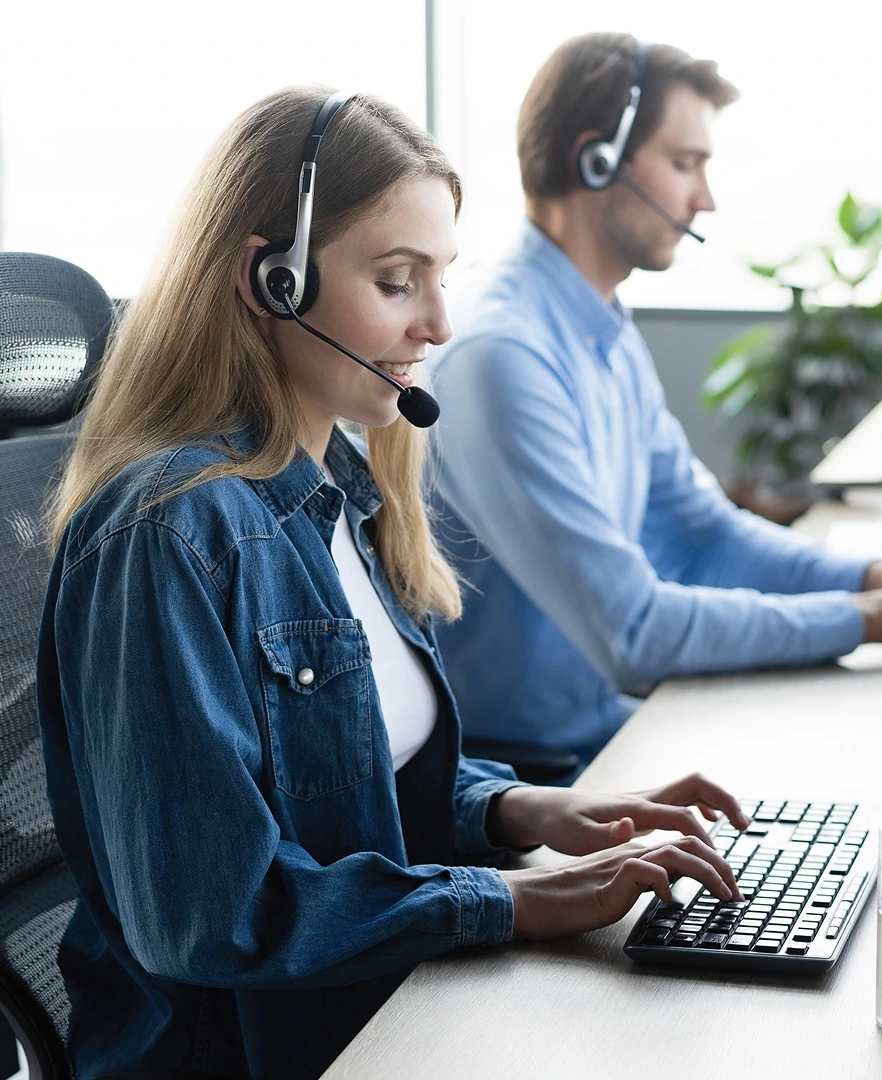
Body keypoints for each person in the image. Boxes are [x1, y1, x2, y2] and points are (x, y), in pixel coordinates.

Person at [37, 85, 748, 1080]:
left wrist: (525, 810)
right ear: (272, 281)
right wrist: (516, 898)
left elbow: (341, 781)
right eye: (398, 281)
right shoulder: (170, 535)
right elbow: (211, 913)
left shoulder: (345, 491)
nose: (439, 323)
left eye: (441, 278)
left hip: (388, 1010)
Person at [429, 33, 882, 767]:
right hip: (519, 777)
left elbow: (705, 535)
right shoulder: (503, 354)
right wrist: (875, 617)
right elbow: (631, 631)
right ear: (596, 159)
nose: (705, 198)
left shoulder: (597, 326)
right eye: (684, 162)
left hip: (601, 733)